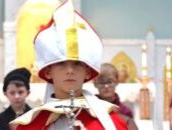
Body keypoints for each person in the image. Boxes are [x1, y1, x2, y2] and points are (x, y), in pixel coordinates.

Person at [9, 0, 129, 130]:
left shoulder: (111, 123)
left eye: (77, 64)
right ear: (48, 71)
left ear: (87, 71)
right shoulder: (31, 126)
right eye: (61, 64)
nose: (70, 70)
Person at [93, 63, 138, 130]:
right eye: (102, 82)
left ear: (117, 82)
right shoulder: (90, 107)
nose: (106, 86)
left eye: (110, 82)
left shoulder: (125, 111)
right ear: (95, 84)